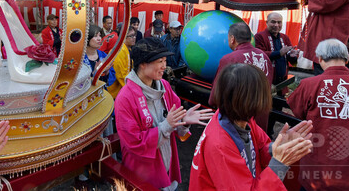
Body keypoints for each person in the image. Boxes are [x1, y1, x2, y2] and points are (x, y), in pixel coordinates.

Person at [190, 63, 313, 190]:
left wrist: (280, 145)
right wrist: (279, 163)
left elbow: (260, 147)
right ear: (251, 101)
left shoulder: (239, 116)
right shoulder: (219, 144)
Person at [115, 38, 214, 190]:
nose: (164, 66)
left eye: (165, 60)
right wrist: (166, 126)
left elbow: (176, 118)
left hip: (166, 161)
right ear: (142, 63)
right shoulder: (125, 98)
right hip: (143, 172)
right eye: (160, 61)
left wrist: (184, 121)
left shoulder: (165, 86)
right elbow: (134, 143)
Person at [287, 38, 349, 190]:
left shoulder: (308, 85)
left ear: (320, 58)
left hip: (318, 173)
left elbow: (298, 114)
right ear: (347, 58)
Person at [209, 23, 273, 131]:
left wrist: (212, 102)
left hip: (239, 119)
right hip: (261, 115)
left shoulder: (229, 59)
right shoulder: (264, 56)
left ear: (232, 39)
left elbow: (216, 95)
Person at [255, 12, 298, 92]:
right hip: (267, 83)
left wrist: (293, 57)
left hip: (283, 81)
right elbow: (260, 55)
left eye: (279, 22)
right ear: (267, 22)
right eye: (273, 22)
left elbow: (293, 63)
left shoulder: (285, 37)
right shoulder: (259, 36)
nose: (276, 25)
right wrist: (279, 53)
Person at [107, 25, 136, 99]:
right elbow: (120, 74)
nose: (134, 38)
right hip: (115, 92)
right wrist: (130, 90)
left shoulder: (127, 48)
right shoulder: (119, 51)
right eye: (131, 36)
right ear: (123, 37)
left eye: (134, 35)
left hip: (122, 89)